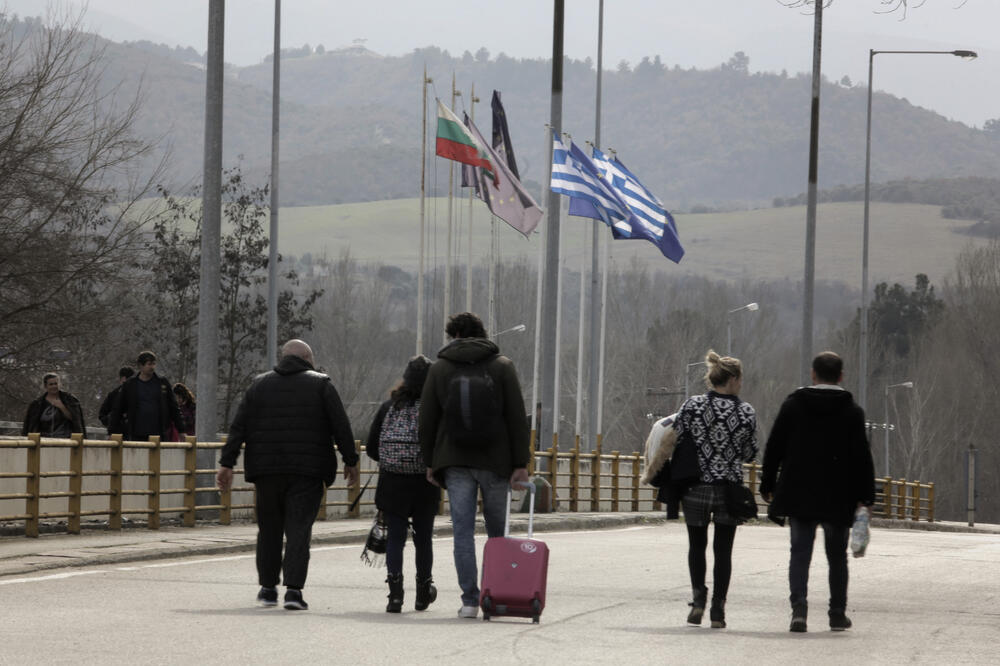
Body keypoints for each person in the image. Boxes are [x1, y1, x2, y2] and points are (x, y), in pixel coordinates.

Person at [217, 339, 359, 611]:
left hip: (266, 471)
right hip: (307, 471)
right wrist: (350, 461)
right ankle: (293, 592)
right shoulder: (321, 384)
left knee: (268, 530)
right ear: (307, 358)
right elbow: (340, 426)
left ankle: (268, 589)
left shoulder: (259, 385)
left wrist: (227, 463)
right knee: (298, 530)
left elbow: (239, 427)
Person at [419, 312, 530, 619]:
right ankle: (495, 595)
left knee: (463, 533)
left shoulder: (440, 369)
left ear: (453, 336)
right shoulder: (502, 366)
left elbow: (426, 419)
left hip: (454, 462)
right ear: (483, 334)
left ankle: (470, 600)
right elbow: (516, 419)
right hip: (497, 462)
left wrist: (431, 462)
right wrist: (520, 463)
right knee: (498, 534)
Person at [760, 351, 876, 633]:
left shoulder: (793, 406)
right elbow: (862, 456)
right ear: (840, 376)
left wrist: (767, 484)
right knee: (837, 556)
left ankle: (799, 610)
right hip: (839, 495)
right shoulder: (852, 412)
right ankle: (837, 613)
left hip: (799, 492)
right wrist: (866, 496)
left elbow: (774, 446)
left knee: (800, 552)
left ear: (813, 374)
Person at [671, 350, 757, 629]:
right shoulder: (745, 412)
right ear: (732, 379)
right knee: (723, 551)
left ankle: (698, 601)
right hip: (727, 491)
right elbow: (750, 452)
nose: (741, 383)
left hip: (695, 487)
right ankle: (718, 610)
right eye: (740, 379)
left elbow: (676, 435)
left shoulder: (692, 405)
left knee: (696, 546)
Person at [366, 354, 439, 613]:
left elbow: (372, 448)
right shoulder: (433, 409)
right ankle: (422, 593)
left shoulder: (389, 407)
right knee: (423, 539)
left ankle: (395, 595)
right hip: (425, 482)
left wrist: (392, 461)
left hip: (393, 482)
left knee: (396, 538)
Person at [108, 351, 184, 441]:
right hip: (137, 433)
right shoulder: (130, 384)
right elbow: (118, 408)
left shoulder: (162, 383)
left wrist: (181, 430)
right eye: (149, 364)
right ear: (141, 365)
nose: (152, 367)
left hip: (158, 433)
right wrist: (112, 431)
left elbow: (173, 407)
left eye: (154, 364)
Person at [22, 373, 87, 438]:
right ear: (45, 386)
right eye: (51, 384)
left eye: (56, 383)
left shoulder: (69, 400)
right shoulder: (37, 404)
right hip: (43, 440)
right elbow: (29, 425)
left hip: (66, 440)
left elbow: (76, 420)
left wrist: (62, 407)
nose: (54, 386)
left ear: (59, 384)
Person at [99, 367, 135, 435]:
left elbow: (102, 415)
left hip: (118, 433)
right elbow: (102, 415)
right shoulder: (114, 394)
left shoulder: (113, 394)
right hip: (126, 432)